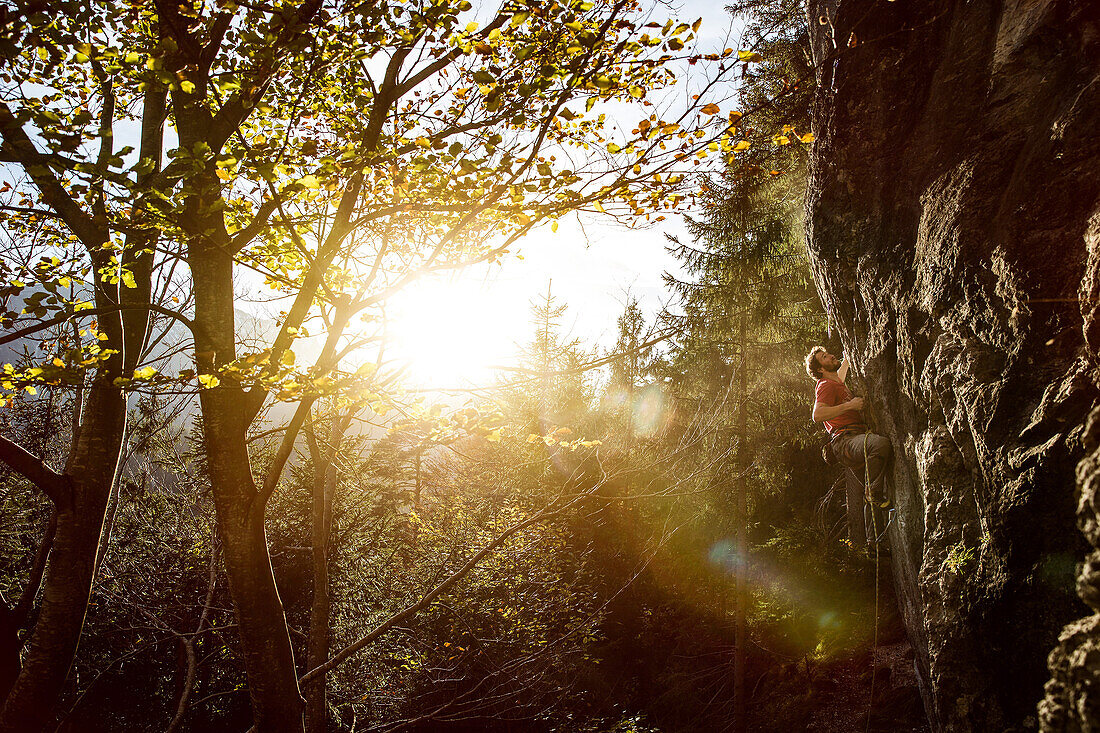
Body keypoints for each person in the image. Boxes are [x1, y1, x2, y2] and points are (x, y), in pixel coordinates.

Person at [805, 346, 892, 508]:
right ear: (821, 369)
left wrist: (847, 358)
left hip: (851, 440)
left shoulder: (836, 382)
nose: (831, 355)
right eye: (824, 357)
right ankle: (872, 493)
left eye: (828, 353)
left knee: (872, 502)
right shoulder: (825, 385)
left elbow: (841, 373)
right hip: (845, 442)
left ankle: (874, 527)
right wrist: (850, 405)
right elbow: (817, 415)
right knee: (880, 445)